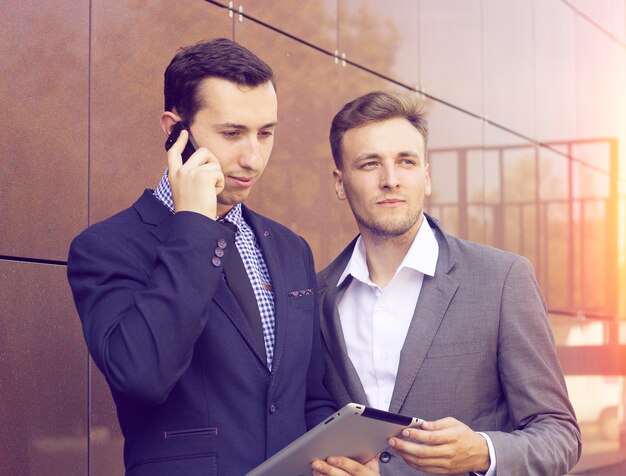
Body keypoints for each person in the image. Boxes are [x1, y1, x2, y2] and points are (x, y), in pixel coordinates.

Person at [67, 38, 341, 476]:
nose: (253, 157)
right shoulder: (106, 247)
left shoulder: (291, 248)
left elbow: (309, 396)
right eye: (232, 133)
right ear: (174, 130)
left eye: (266, 133)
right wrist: (193, 224)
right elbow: (143, 375)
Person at [316, 91, 582, 475]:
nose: (390, 180)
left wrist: (484, 452)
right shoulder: (316, 297)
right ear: (340, 183)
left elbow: (560, 435)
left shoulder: (502, 279)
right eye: (370, 164)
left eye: (405, 162)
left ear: (425, 176)